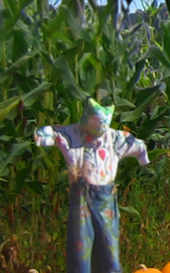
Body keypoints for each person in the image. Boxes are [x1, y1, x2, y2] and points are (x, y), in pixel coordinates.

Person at [34, 98, 149, 273]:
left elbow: (139, 146)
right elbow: (43, 134)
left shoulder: (115, 138)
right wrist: (43, 137)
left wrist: (143, 159)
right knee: (80, 245)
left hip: (105, 196)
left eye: (104, 123)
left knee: (108, 245)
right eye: (98, 123)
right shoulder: (72, 133)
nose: (101, 127)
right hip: (81, 194)